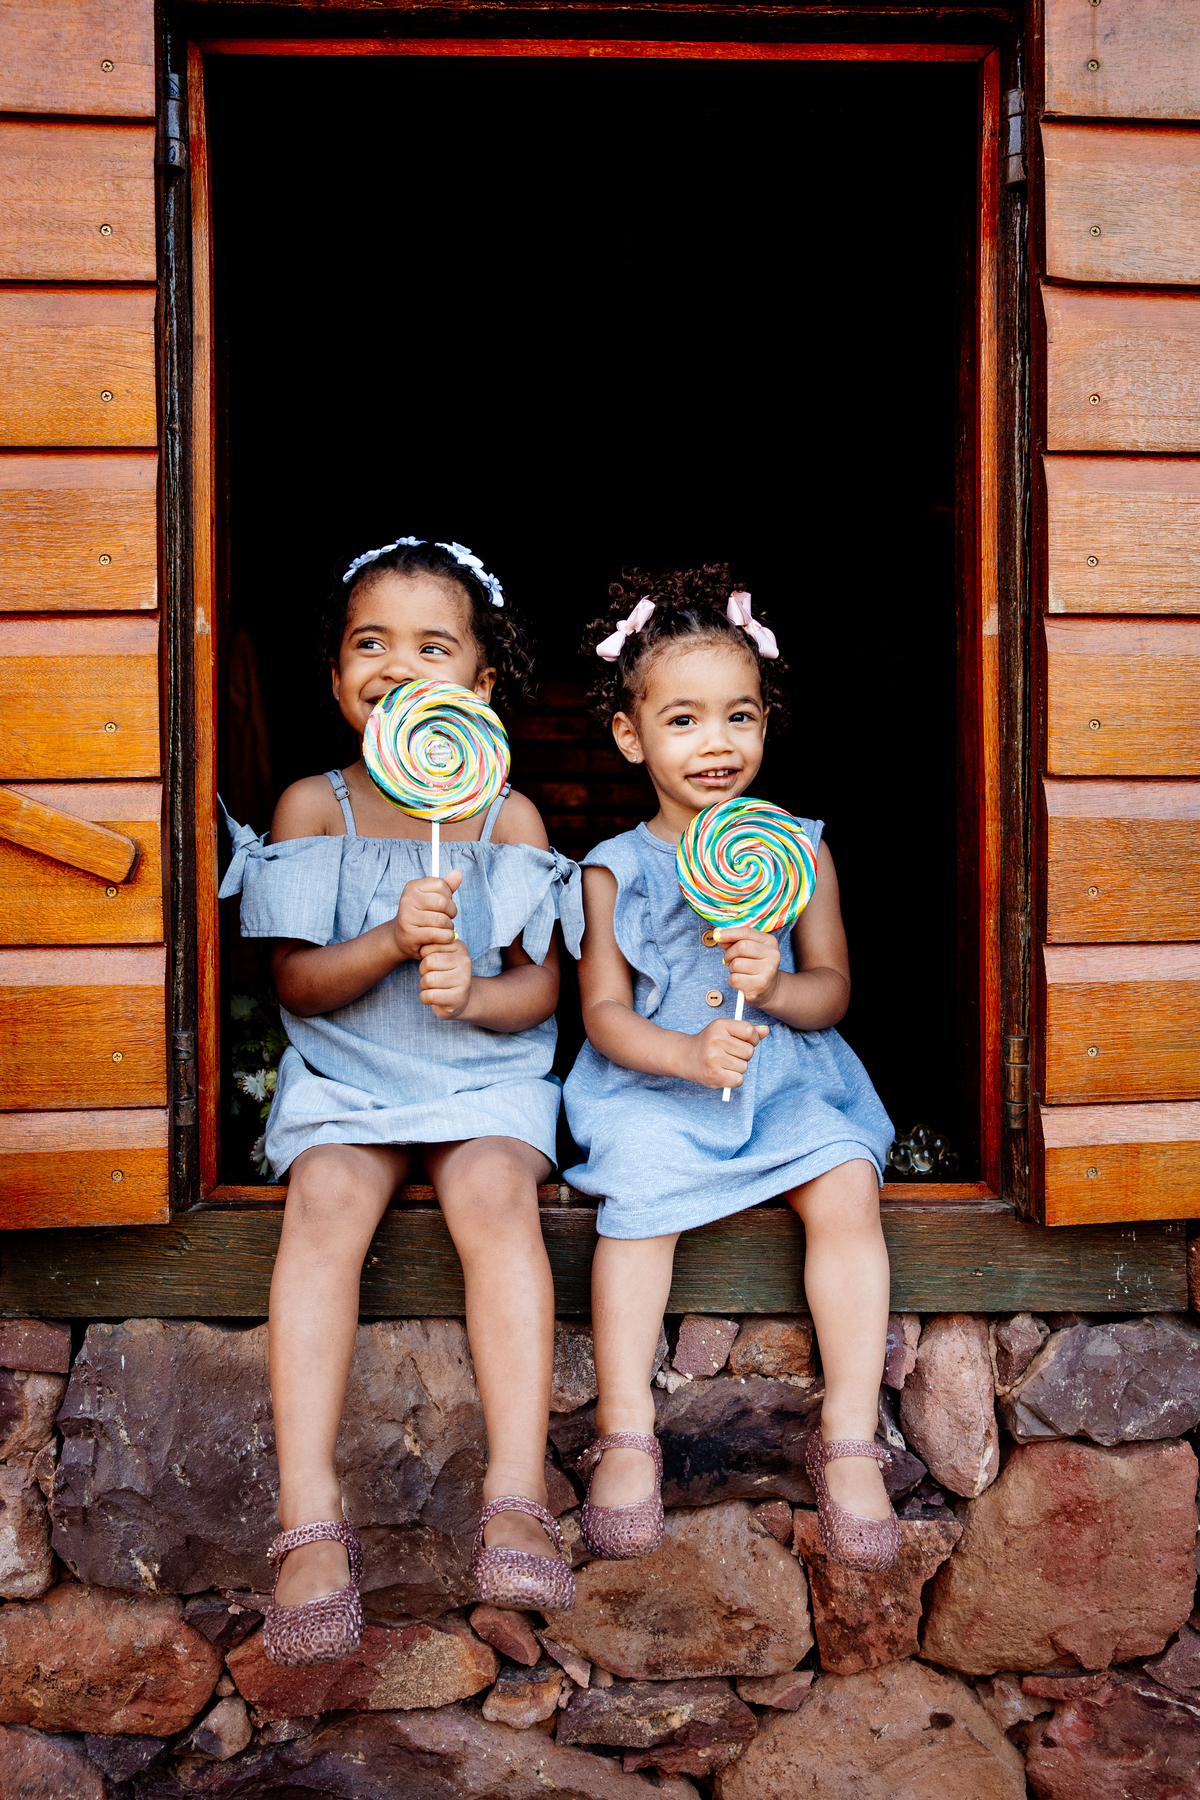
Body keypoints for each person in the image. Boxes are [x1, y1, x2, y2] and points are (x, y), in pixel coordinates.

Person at [219, 538, 579, 1667]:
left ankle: (517, 1497)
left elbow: (542, 989)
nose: (397, 663)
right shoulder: (313, 807)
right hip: (350, 1077)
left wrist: (478, 993)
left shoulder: (505, 820)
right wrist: (384, 939)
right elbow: (294, 981)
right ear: (336, 680)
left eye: (433, 645)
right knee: (323, 1203)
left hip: (481, 1081)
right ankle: (308, 1518)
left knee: (491, 1198)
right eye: (370, 643)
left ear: (478, 690)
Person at [564, 564, 900, 1572]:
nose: (716, 744)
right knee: (640, 1200)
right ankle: (628, 1432)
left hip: (787, 1081)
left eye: (739, 717)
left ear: (765, 722)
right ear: (632, 737)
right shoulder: (613, 869)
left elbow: (833, 989)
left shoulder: (800, 849)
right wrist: (684, 1051)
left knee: (845, 1182)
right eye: (683, 720)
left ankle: (847, 1436)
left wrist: (780, 982)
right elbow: (604, 1016)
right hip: (658, 1085)